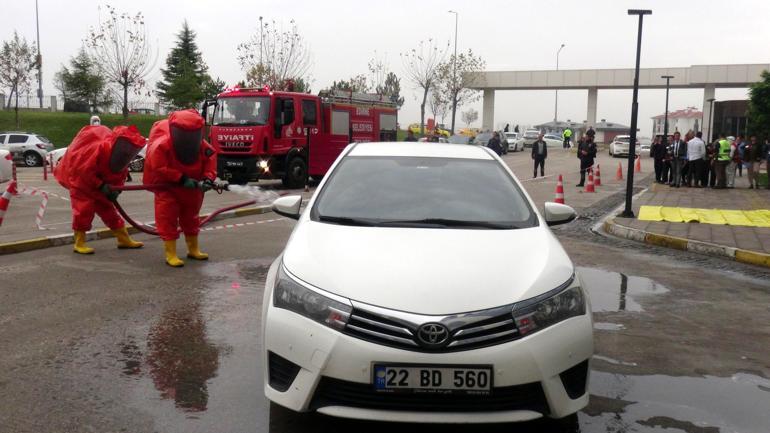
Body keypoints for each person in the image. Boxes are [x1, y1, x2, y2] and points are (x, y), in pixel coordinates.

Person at [54, 124, 146, 254]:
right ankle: (79, 243)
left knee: (109, 211)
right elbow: (84, 172)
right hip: (81, 184)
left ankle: (123, 239)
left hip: (99, 186)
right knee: (83, 211)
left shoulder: (120, 156)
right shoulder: (96, 150)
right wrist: (101, 185)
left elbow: (120, 173)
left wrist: (117, 189)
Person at [144, 109, 218, 267]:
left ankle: (193, 249)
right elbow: (159, 166)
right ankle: (170, 253)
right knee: (167, 217)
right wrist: (181, 178)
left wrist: (208, 179)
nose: (188, 140)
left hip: (192, 189)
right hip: (168, 188)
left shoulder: (203, 147)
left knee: (191, 217)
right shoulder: (161, 146)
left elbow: (210, 161)